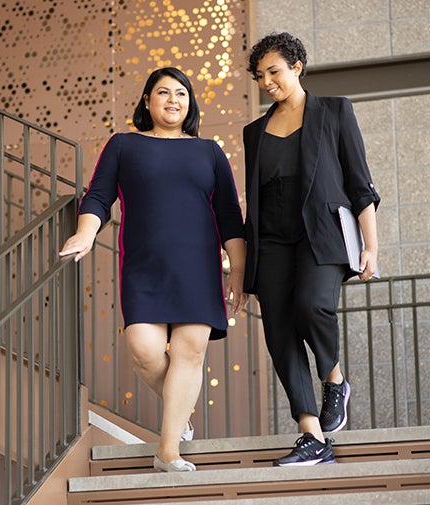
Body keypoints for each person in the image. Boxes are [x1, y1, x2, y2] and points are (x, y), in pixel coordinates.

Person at [60, 67, 247, 473]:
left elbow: (230, 215)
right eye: (163, 92)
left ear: (190, 103)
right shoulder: (124, 146)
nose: (173, 100)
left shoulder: (209, 151)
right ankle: (180, 417)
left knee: (189, 353)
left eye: (181, 93)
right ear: (147, 101)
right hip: (145, 265)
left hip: (198, 265)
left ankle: (167, 451)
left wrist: (238, 271)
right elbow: (98, 196)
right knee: (144, 351)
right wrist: (85, 234)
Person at [242, 33, 380, 466]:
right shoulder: (254, 133)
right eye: (260, 76)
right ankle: (311, 435)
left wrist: (371, 246)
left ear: (297, 66)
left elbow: (360, 185)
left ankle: (334, 379)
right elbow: (254, 198)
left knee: (313, 306)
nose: (267, 82)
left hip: (321, 233)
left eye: (274, 72)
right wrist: (244, 267)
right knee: (279, 332)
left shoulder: (336, 111)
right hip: (272, 238)